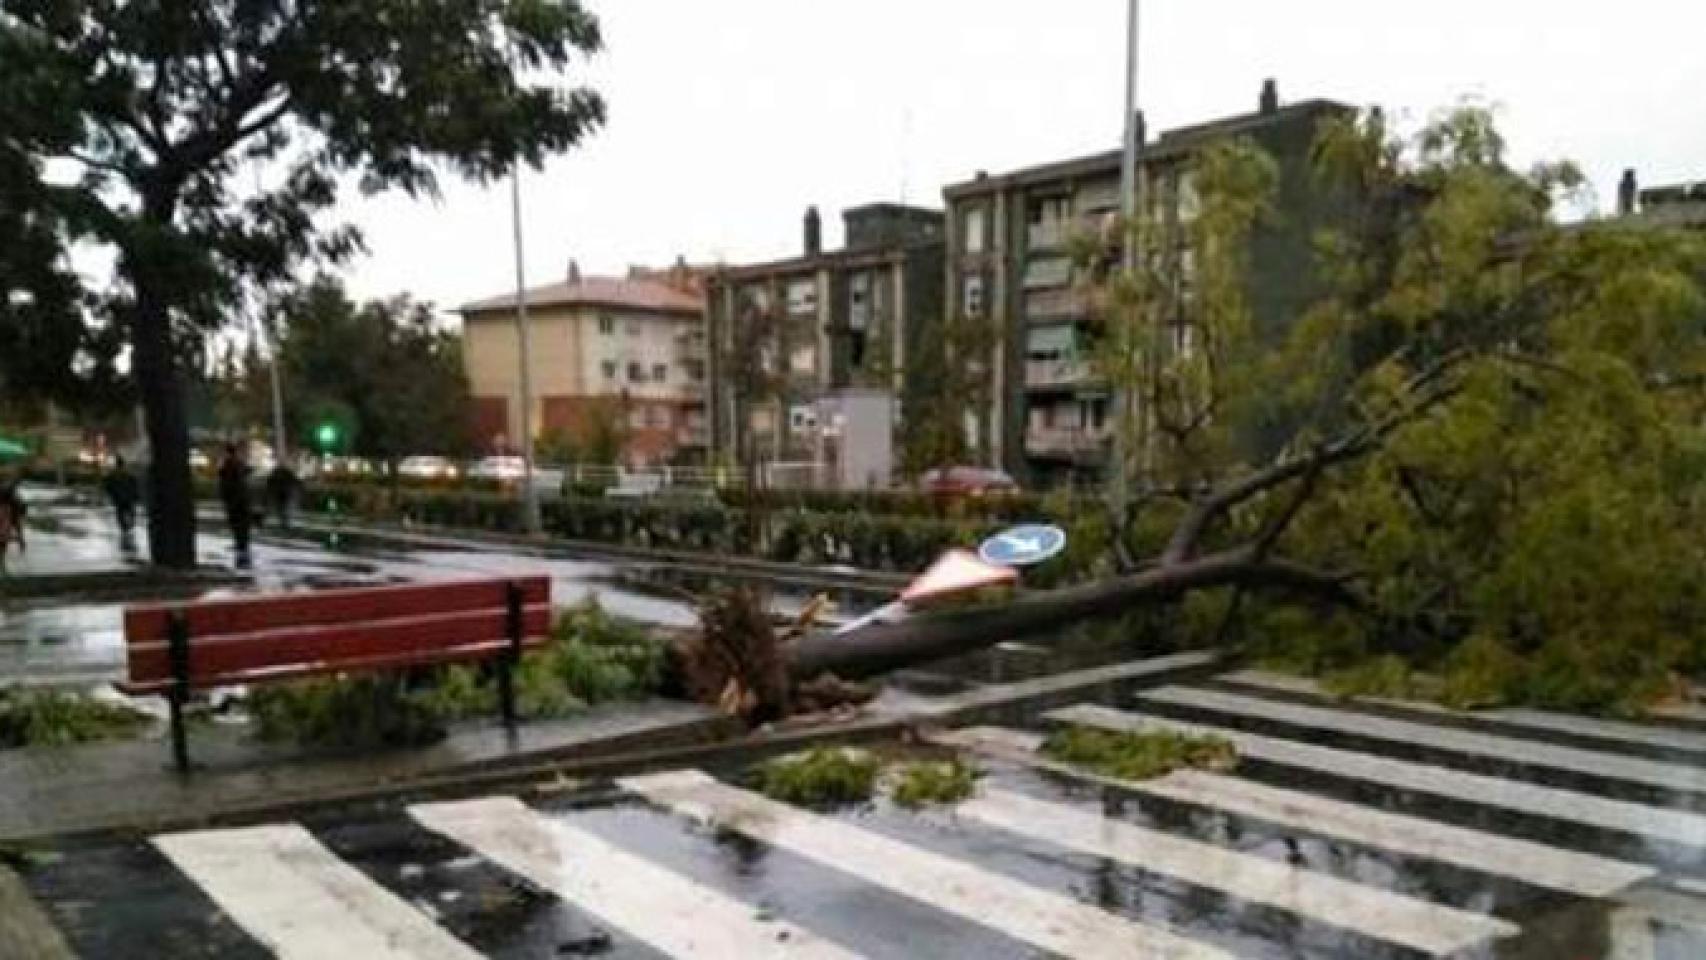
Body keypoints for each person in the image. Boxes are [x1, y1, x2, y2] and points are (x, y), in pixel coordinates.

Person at [217, 444, 253, 567]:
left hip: (235, 501)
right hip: (241, 501)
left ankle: (241, 547)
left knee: (238, 525)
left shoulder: (229, 465)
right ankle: (243, 546)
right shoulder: (238, 464)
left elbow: (227, 484)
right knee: (242, 526)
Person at [102, 456, 141, 544]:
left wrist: (111, 495)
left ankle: (126, 527)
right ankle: (127, 527)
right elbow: (134, 486)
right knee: (128, 512)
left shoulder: (114, 476)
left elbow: (108, 486)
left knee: (122, 513)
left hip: (120, 498)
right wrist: (136, 496)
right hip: (126, 498)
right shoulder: (128, 475)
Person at [265, 461, 299, 530]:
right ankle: (285, 522)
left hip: (281, 493)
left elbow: (270, 483)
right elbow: (294, 482)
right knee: (284, 508)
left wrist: (271, 491)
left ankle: (284, 522)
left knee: (282, 508)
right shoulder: (286, 473)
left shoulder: (276, 473)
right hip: (283, 493)